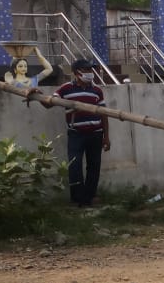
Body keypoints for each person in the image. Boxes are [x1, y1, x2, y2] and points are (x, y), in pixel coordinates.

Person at [28, 58, 111, 207]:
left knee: (94, 166)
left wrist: (106, 137)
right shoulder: (66, 89)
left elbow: (103, 114)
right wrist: (38, 94)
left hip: (96, 134)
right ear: (76, 73)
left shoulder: (97, 90)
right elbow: (49, 104)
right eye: (86, 70)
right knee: (74, 165)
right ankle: (77, 199)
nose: (89, 73)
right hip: (76, 134)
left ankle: (89, 197)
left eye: (90, 70)